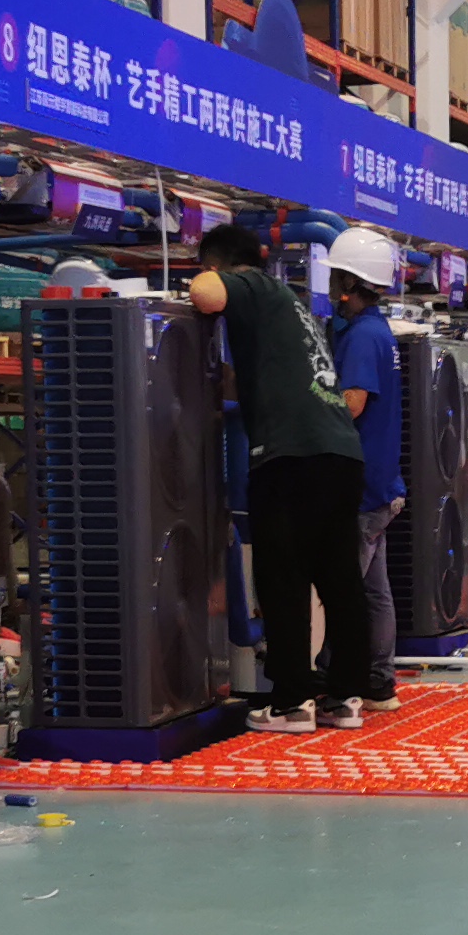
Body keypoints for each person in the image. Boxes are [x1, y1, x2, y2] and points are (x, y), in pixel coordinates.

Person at [190, 220, 366, 734]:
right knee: (338, 579)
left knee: (282, 577)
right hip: (339, 454)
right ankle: (345, 697)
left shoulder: (251, 285)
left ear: (218, 263)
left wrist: (198, 283)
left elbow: (206, 293)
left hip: (291, 456)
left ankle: (291, 702)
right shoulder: (290, 307)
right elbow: (256, 380)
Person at [325, 226, 406, 719]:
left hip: (361, 487)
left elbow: (352, 403)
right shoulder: (379, 332)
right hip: (382, 483)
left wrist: (308, 408)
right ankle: (379, 682)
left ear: (350, 283)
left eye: (336, 276)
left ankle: (342, 687)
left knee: (346, 593)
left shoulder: (361, 336)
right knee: (375, 592)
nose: (330, 284)